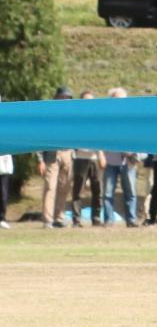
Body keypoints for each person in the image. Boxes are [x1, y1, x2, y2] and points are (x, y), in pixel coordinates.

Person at [101, 89, 139, 229]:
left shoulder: (131, 118)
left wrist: (133, 153)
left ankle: (132, 219)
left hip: (127, 161)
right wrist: (101, 155)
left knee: (131, 192)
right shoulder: (106, 118)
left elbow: (137, 137)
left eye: (122, 99)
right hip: (110, 159)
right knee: (107, 192)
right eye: (116, 99)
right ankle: (108, 220)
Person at [38, 86, 75, 230]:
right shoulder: (49, 114)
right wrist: (40, 159)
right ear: (57, 98)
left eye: (68, 98)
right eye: (63, 97)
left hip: (68, 152)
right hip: (52, 153)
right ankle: (47, 219)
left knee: (64, 187)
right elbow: (40, 137)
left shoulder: (72, 115)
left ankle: (59, 217)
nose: (66, 100)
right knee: (50, 187)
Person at [68, 92, 103, 226]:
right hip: (80, 158)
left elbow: (100, 137)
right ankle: (76, 219)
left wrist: (101, 155)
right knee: (78, 190)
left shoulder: (96, 118)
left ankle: (96, 217)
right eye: (86, 100)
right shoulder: (77, 118)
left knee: (97, 189)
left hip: (94, 158)